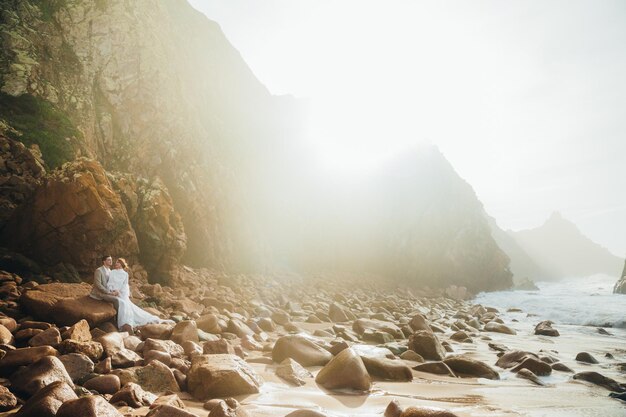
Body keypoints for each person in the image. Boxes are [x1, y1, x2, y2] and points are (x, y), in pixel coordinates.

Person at [108, 258, 172, 332]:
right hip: (112, 291)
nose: (116, 263)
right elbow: (110, 283)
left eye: (118, 262)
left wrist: (119, 292)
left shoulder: (125, 274)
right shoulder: (112, 272)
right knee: (124, 304)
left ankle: (126, 324)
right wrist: (112, 290)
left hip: (121, 293)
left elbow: (125, 285)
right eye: (116, 262)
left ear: (122, 264)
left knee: (124, 304)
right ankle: (125, 324)